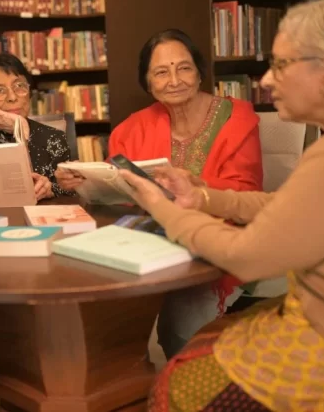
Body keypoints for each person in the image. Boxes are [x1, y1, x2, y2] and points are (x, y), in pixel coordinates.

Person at [118, 0, 324, 412]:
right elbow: (289, 204)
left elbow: (247, 258)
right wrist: (203, 196)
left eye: (281, 65)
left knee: (179, 384)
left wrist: (165, 207)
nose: (268, 81)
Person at [55, 28, 265, 360]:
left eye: (184, 68)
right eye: (161, 72)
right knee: (105, 317)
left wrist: (193, 192)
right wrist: (82, 181)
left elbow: (245, 193)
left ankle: (187, 391)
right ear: (148, 83)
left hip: (212, 244)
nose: (174, 80)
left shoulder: (236, 119)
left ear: (199, 73)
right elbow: (117, 188)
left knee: (181, 325)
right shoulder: (131, 128)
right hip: (148, 241)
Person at [0, 52, 74, 204]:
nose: (13, 97)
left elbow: (70, 190)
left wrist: (50, 189)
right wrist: (18, 130)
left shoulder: (53, 137)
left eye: (19, 86)